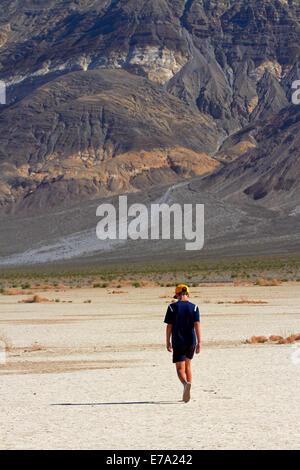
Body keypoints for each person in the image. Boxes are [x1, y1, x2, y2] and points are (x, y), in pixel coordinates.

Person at [164, 284, 201, 403]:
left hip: (178, 341)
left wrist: (167, 341)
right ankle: (188, 390)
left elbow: (169, 326)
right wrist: (199, 342)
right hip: (191, 341)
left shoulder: (172, 307)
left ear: (177, 295)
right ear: (188, 294)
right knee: (188, 366)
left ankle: (185, 385)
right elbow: (197, 325)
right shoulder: (194, 307)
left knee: (180, 368)